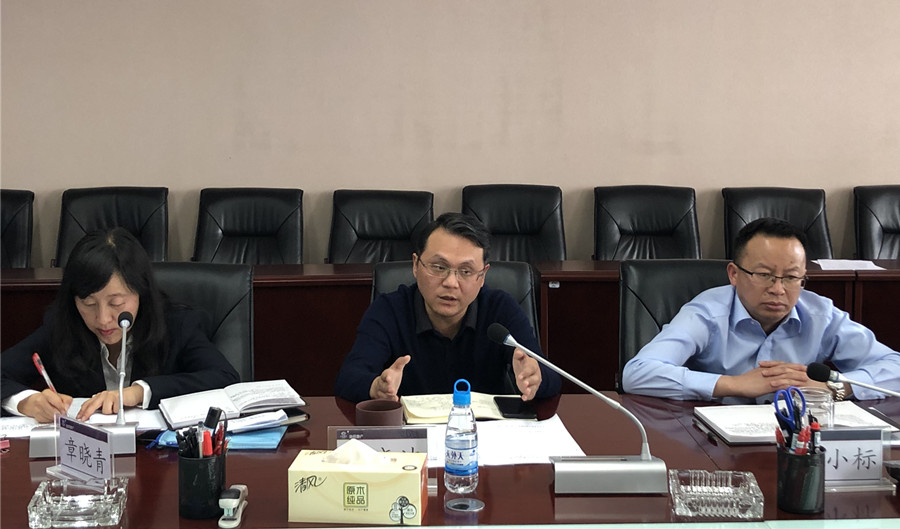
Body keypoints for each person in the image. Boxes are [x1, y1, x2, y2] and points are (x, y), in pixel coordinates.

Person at [622, 217, 900, 403]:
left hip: (796, 437)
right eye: (764, 275)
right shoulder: (706, 313)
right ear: (734, 274)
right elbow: (637, 373)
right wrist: (734, 385)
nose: (778, 289)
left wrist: (834, 386)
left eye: (791, 277)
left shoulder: (820, 315)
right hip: (714, 441)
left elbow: (894, 367)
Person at [1, 228, 240, 422]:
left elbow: (225, 377)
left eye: (116, 303)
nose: (103, 319)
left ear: (141, 292)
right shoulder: (63, 325)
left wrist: (138, 392)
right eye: (89, 303)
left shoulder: (176, 324)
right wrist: (26, 402)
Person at [334, 212, 561, 403]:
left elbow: (550, 376)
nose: (451, 283)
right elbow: (349, 378)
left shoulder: (501, 309)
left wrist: (535, 378)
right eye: (439, 267)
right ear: (416, 265)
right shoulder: (389, 310)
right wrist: (376, 387)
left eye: (466, 271)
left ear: (482, 276)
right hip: (411, 436)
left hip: (483, 433)